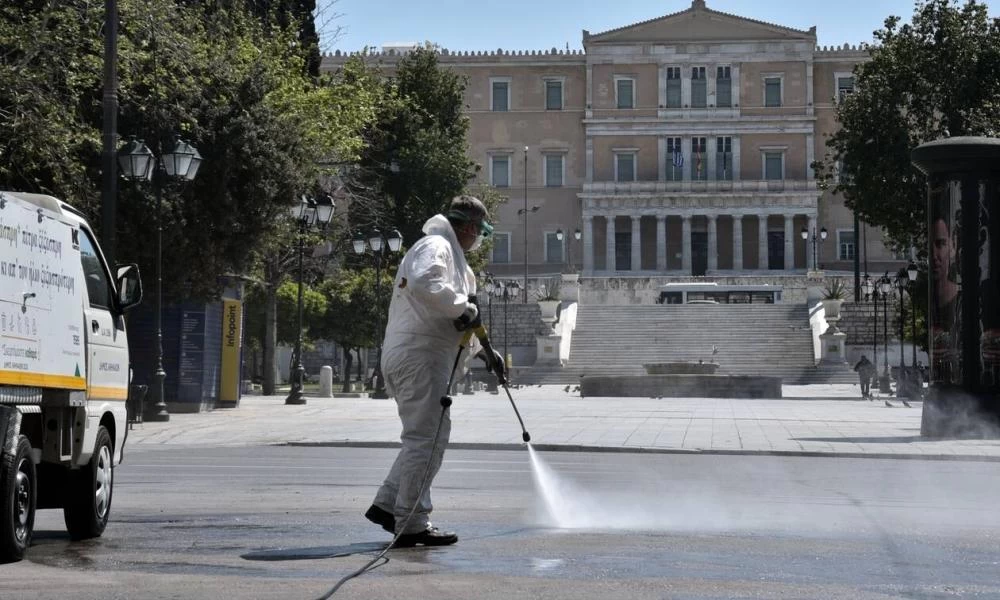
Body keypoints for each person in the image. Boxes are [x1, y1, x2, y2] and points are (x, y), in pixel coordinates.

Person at [364, 195, 504, 548]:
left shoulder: (451, 257)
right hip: (419, 356)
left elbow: (462, 314)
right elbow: (428, 285)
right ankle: (412, 522)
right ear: (470, 228)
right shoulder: (436, 245)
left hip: (422, 356)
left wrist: (488, 352)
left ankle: (388, 504)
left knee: (426, 438)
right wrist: (463, 308)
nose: (478, 241)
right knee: (426, 440)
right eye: (480, 233)